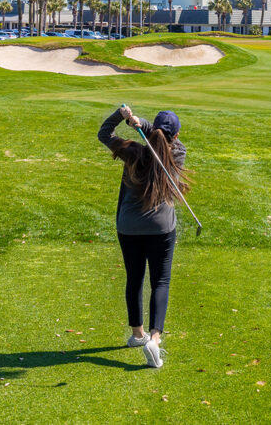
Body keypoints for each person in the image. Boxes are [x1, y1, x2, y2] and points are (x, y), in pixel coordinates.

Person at [98, 103, 191, 369]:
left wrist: (123, 117)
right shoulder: (178, 153)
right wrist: (143, 125)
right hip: (161, 228)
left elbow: (104, 134)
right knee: (160, 280)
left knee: (135, 278)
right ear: (174, 136)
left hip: (129, 227)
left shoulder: (131, 150)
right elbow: (163, 138)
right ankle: (155, 338)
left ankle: (137, 335)